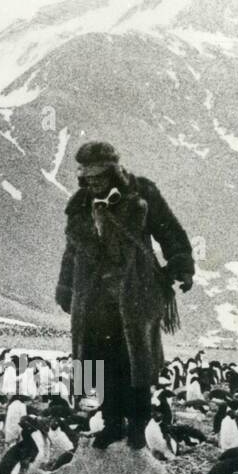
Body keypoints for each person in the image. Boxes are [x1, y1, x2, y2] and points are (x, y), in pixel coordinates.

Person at [55, 142, 195, 449]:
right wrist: (65, 288)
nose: (93, 181)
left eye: (99, 175)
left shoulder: (141, 195)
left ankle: (138, 425)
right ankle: (112, 423)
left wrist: (182, 265)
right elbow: (72, 251)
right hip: (93, 299)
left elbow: (169, 230)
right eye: (87, 176)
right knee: (100, 362)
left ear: (113, 171)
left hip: (135, 293)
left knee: (135, 362)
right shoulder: (79, 205)